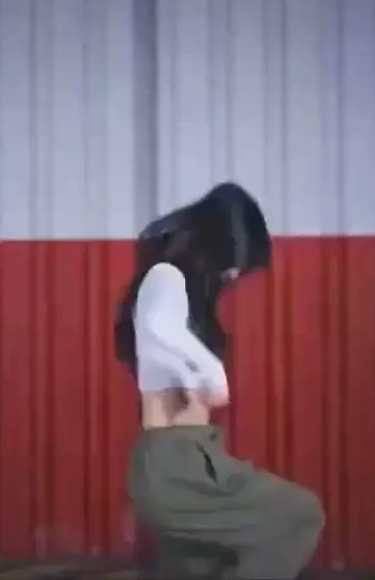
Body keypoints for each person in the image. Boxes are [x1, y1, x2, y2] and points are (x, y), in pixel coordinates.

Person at [115, 182, 325, 578]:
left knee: (197, 568)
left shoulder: (181, 295)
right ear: (214, 242)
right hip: (174, 461)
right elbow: (158, 324)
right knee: (299, 514)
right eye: (233, 262)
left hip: (193, 454)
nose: (233, 275)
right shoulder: (166, 275)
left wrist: (198, 370)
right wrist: (211, 372)